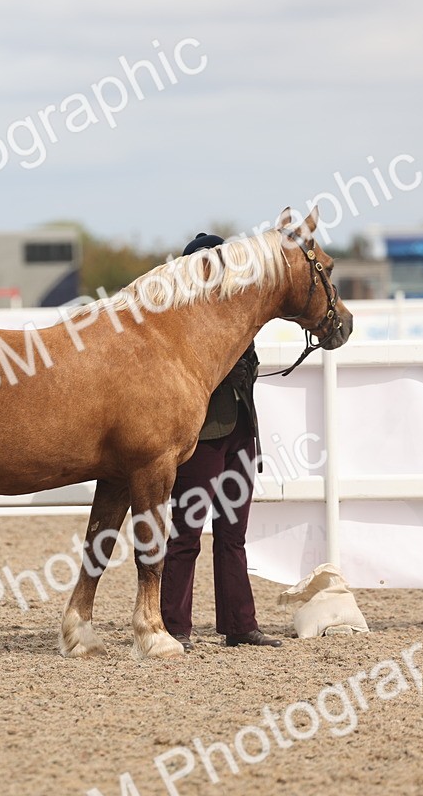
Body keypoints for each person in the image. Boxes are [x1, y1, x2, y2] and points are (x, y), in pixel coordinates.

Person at [159, 233, 283, 651]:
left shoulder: (236, 316)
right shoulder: (180, 322)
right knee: (186, 533)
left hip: (241, 431)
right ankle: (174, 625)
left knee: (233, 534)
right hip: (205, 435)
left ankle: (239, 624)